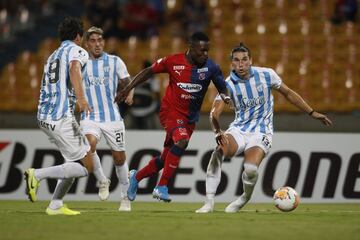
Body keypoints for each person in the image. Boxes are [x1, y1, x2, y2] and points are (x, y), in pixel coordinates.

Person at [195, 43, 332, 213]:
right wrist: (217, 132)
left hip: (261, 132)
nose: (241, 64)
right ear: (232, 64)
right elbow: (214, 113)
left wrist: (312, 112)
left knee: (250, 169)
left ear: (251, 61)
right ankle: (209, 202)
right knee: (218, 151)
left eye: (244, 60)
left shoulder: (267, 75)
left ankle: (245, 197)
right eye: (236, 61)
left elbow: (288, 93)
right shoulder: (227, 85)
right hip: (239, 130)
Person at [115, 31, 230, 202]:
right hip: (170, 112)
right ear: (190, 48)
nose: (205, 55)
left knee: (164, 159)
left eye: (207, 51)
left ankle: (136, 177)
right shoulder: (172, 61)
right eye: (201, 51)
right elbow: (148, 72)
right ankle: (162, 186)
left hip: (190, 118)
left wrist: (226, 96)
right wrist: (128, 88)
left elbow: (222, 86)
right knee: (182, 141)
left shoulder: (211, 67)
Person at [24, 17, 94, 215]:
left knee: (71, 162)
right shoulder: (77, 50)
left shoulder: (52, 56)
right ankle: (36, 175)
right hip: (61, 116)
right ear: (78, 37)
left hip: (45, 114)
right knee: (85, 165)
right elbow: (74, 68)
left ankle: (55, 205)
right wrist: (81, 98)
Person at [80, 26, 134, 211]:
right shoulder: (81, 63)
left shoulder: (114, 61)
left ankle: (125, 198)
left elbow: (129, 82)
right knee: (89, 145)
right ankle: (103, 180)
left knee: (119, 158)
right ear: (87, 44)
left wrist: (130, 94)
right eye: (93, 41)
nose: (97, 44)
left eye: (100, 40)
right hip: (90, 116)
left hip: (112, 117)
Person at [129, 59, 160, 129]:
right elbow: (156, 96)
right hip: (146, 108)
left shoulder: (134, 78)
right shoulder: (154, 80)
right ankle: (158, 127)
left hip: (135, 108)